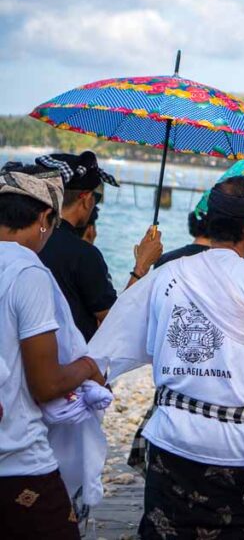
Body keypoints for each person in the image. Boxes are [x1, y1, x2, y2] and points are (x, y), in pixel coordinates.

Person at [91, 176, 244, 539]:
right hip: (234, 447)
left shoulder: (167, 273)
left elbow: (120, 330)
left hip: (171, 439)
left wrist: (140, 266)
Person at [0, 163, 108, 540]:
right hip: (16, 459)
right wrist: (87, 365)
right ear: (46, 217)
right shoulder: (27, 272)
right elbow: (46, 385)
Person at [38, 151, 163, 341]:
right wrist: (141, 266)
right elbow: (115, 322)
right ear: (86, 199)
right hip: (73, 361)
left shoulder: (32, 237)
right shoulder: (83, 254)